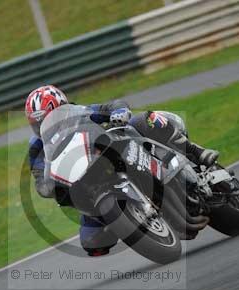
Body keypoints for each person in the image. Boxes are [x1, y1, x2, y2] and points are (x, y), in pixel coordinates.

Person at [25, 85, 218, 256]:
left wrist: (119, 112)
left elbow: (110, 107)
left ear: (61, 107)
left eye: (47, 118)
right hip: (85, 182)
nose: (42, 126)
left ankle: (195, 151)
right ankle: (136, 219)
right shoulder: (36, 147)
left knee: (143, 121)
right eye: (37, 124)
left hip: (107, 152)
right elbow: (40, 179)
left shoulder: (80, 112)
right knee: (92, 242)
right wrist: (47, 187)